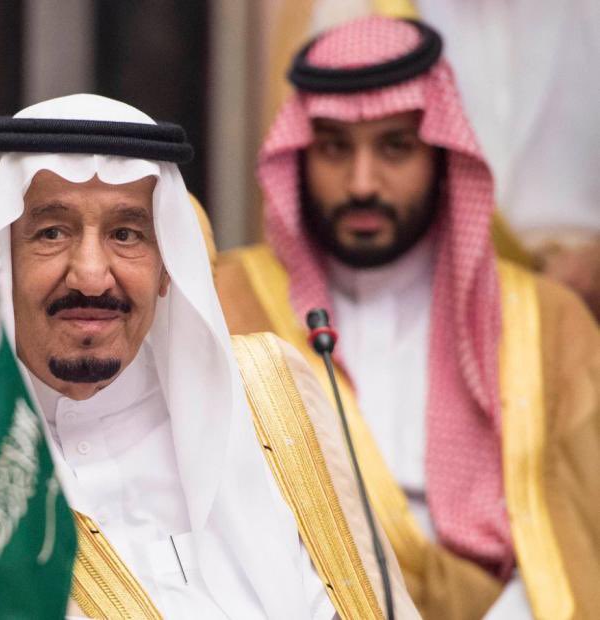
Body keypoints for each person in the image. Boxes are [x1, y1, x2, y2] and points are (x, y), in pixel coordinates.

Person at [0, 94, 417, 619]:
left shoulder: (272, 395)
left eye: (126, 234)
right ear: (1, 257)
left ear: (167, 268)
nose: (90, 274)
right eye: (51, 232)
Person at [216, 16, 600, 619]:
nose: (362, 183)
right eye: (334, 147)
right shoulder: (231, 301)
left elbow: (576, 534)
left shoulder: (547, 324)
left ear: (443, 153)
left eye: (395, 147)